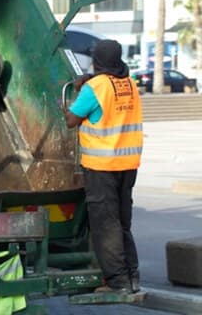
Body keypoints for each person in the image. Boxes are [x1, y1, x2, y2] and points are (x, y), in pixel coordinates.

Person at [64, 39, 143, 294]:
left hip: (101, 166)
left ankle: (118, 282)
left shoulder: (94, 88)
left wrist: (73, 95)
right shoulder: (130, 84)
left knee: (105, 225)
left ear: (96, 61)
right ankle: (132, 277)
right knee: (122, 223)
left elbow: (71, 120)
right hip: (128, 163)